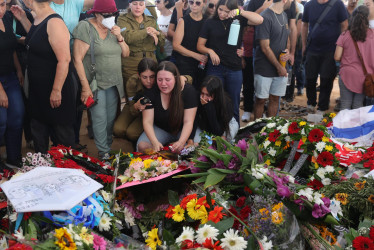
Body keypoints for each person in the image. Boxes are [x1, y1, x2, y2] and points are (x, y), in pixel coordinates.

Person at [73, 0, 130, 160]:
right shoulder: (85, 27)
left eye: (113, 14)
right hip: (95, 82)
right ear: (96, 14)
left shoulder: (114, 29)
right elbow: (77, 59)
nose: (110, 17)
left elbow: (125, 53)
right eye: (106, 15)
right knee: (99, 119)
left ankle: (107, 147)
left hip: (114, 82)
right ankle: (103, 152)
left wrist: (119, 36)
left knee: (111, 118)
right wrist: (85, 87)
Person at [24, 0, 76, 154]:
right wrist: (21, 18)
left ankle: (66, 173)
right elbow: (37, 40)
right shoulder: (37, 18)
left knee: (62, 139)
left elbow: (64, 60)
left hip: (55, 89)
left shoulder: (54, 22)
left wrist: (56, 90)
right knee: (39, 136)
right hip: (38, 90)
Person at [197, 0, 263, 122]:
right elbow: (200, 45)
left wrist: (240, 12)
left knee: (233, 102)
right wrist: (210, 51)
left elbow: (259, 20)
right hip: (215, 67)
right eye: (220, 9)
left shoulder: (238, 19)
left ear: (232, 10)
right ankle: (214, 134)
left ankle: (233, 134)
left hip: (234, 68)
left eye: (226, 11)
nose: (222, 13)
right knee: (214, 100)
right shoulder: (210, 22)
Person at [137, 61, 198, 153]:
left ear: (175, 78)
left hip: (183, 129)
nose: (163, 84)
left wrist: (181, 142)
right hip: (161, 129)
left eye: (167, 80)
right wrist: (155, 142)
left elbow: (188, 122)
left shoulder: (188, 91)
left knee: (198, 147)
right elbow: (147, 121)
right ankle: (163, 159)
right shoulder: (151, 93)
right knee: (142, 146)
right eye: (160, 80)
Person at [302, 0, 348, 114]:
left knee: (326, 79)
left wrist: (341, 47)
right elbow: (304, 25)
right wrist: (303, 45)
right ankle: (311, 103)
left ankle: (322, 107)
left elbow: (345, 25)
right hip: (312, 48)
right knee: (310, 78)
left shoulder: (338, 4)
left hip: (330, 50)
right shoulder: (309, 5)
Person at [253, 0, 291, 119]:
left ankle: (271, 130)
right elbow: (265, 47)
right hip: (264, 68)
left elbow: (286, 37)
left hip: (281, 66)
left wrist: (288, 51)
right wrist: (279, 67)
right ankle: (257, 130)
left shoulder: (284, 15)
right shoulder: (265, 16)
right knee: (261, 99)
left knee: (275, 98)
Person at [117, 0, 165, 88]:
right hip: (131, 63)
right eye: (135, 4)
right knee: (132, 91)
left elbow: (161, 42)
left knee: (152, 91)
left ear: (144, 6)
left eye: (141, 4)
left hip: (150, 61)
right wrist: (146, 31)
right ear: (130, 5)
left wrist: (157, 33)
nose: (138, 7)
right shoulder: (122, 19)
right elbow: (127, 37)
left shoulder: (151, 20)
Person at [334, 6, 374, 110]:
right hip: (365, 77)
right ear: (367, 18)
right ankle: (355, 126)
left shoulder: (345, 35)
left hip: (347, 74)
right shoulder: (372, 34)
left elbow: (337, 57)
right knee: (358, 105)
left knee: (345, 104)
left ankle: (343, 126)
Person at [0, 0, 24, 167]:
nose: (0, 9)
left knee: (17, 116)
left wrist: (19, 70)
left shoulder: (7, 18)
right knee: (1, 122)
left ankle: (13, 157)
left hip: (11, 77)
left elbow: (11, 47)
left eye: (2, 4)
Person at [113, 58, 157, 142]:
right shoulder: (132, 82)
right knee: (118, 130)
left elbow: (187, 78)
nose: (149, 81)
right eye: (144, 77)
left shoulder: (160, 79)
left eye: (152, 77)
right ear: (139, 75)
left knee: (132, 134)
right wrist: (136, 106)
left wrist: (184, 78)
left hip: (151, 110)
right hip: (134, 105)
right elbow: (131, 104)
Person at [173, 0, 207, 89]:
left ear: (204, 3)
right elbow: (176, 45)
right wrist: (196, 55)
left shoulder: (207, 21)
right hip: (185, 63)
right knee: (186, 92)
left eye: (198, 3)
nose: (194, 5)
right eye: (191, 2)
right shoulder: (183, 20)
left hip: (202, 64)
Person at [194, 75, 238, 142]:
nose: (204, 98)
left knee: (222, 141)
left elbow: (218, 132)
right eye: (202, 93)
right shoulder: (198, 98)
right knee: (198, 143)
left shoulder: (226, 102)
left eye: (208, 95)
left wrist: (209, 107)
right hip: (204, 128)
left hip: (224, 126)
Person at [240, 25, 255, 122]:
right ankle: (247, 109)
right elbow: (239, 44)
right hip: (246, 59)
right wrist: (241, 58)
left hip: (259, 59)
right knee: (247, 85)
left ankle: (261, 110)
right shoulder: (243, 27)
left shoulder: (260, 27)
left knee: (260, 86)